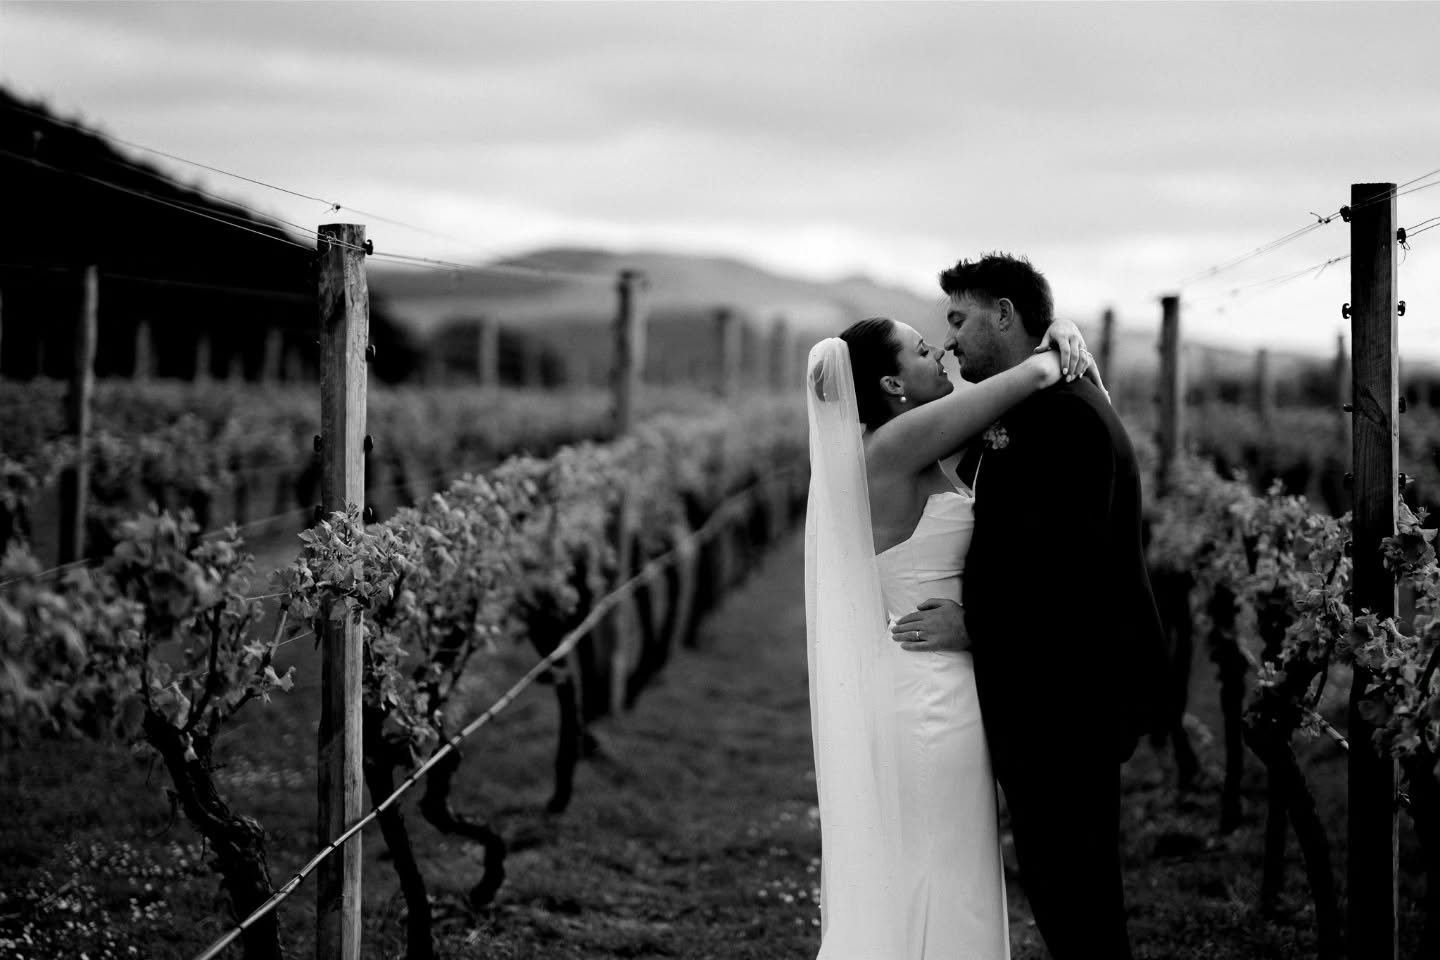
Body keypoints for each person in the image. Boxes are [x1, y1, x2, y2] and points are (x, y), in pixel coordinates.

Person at [890, 253, 1166, 960]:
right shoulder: (1034, 406)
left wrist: (972, 625)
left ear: (1005, 315)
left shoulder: (1064, 417)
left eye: (960, 319)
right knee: (1064, 889)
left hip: (1070, 695)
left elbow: (1068, 569)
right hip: (1050, 688)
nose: (949, 340)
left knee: (1077, 896)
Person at [804, 303, 1096, 960]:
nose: (940, 351)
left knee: (943, 868)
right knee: (939, 872)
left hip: (935, 683)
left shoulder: (916, 446)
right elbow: (1032, 377)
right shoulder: (890, 447)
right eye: (919, 350)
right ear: (892, 385)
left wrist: (1061, 334)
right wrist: (1058, 338)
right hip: (927, 697)